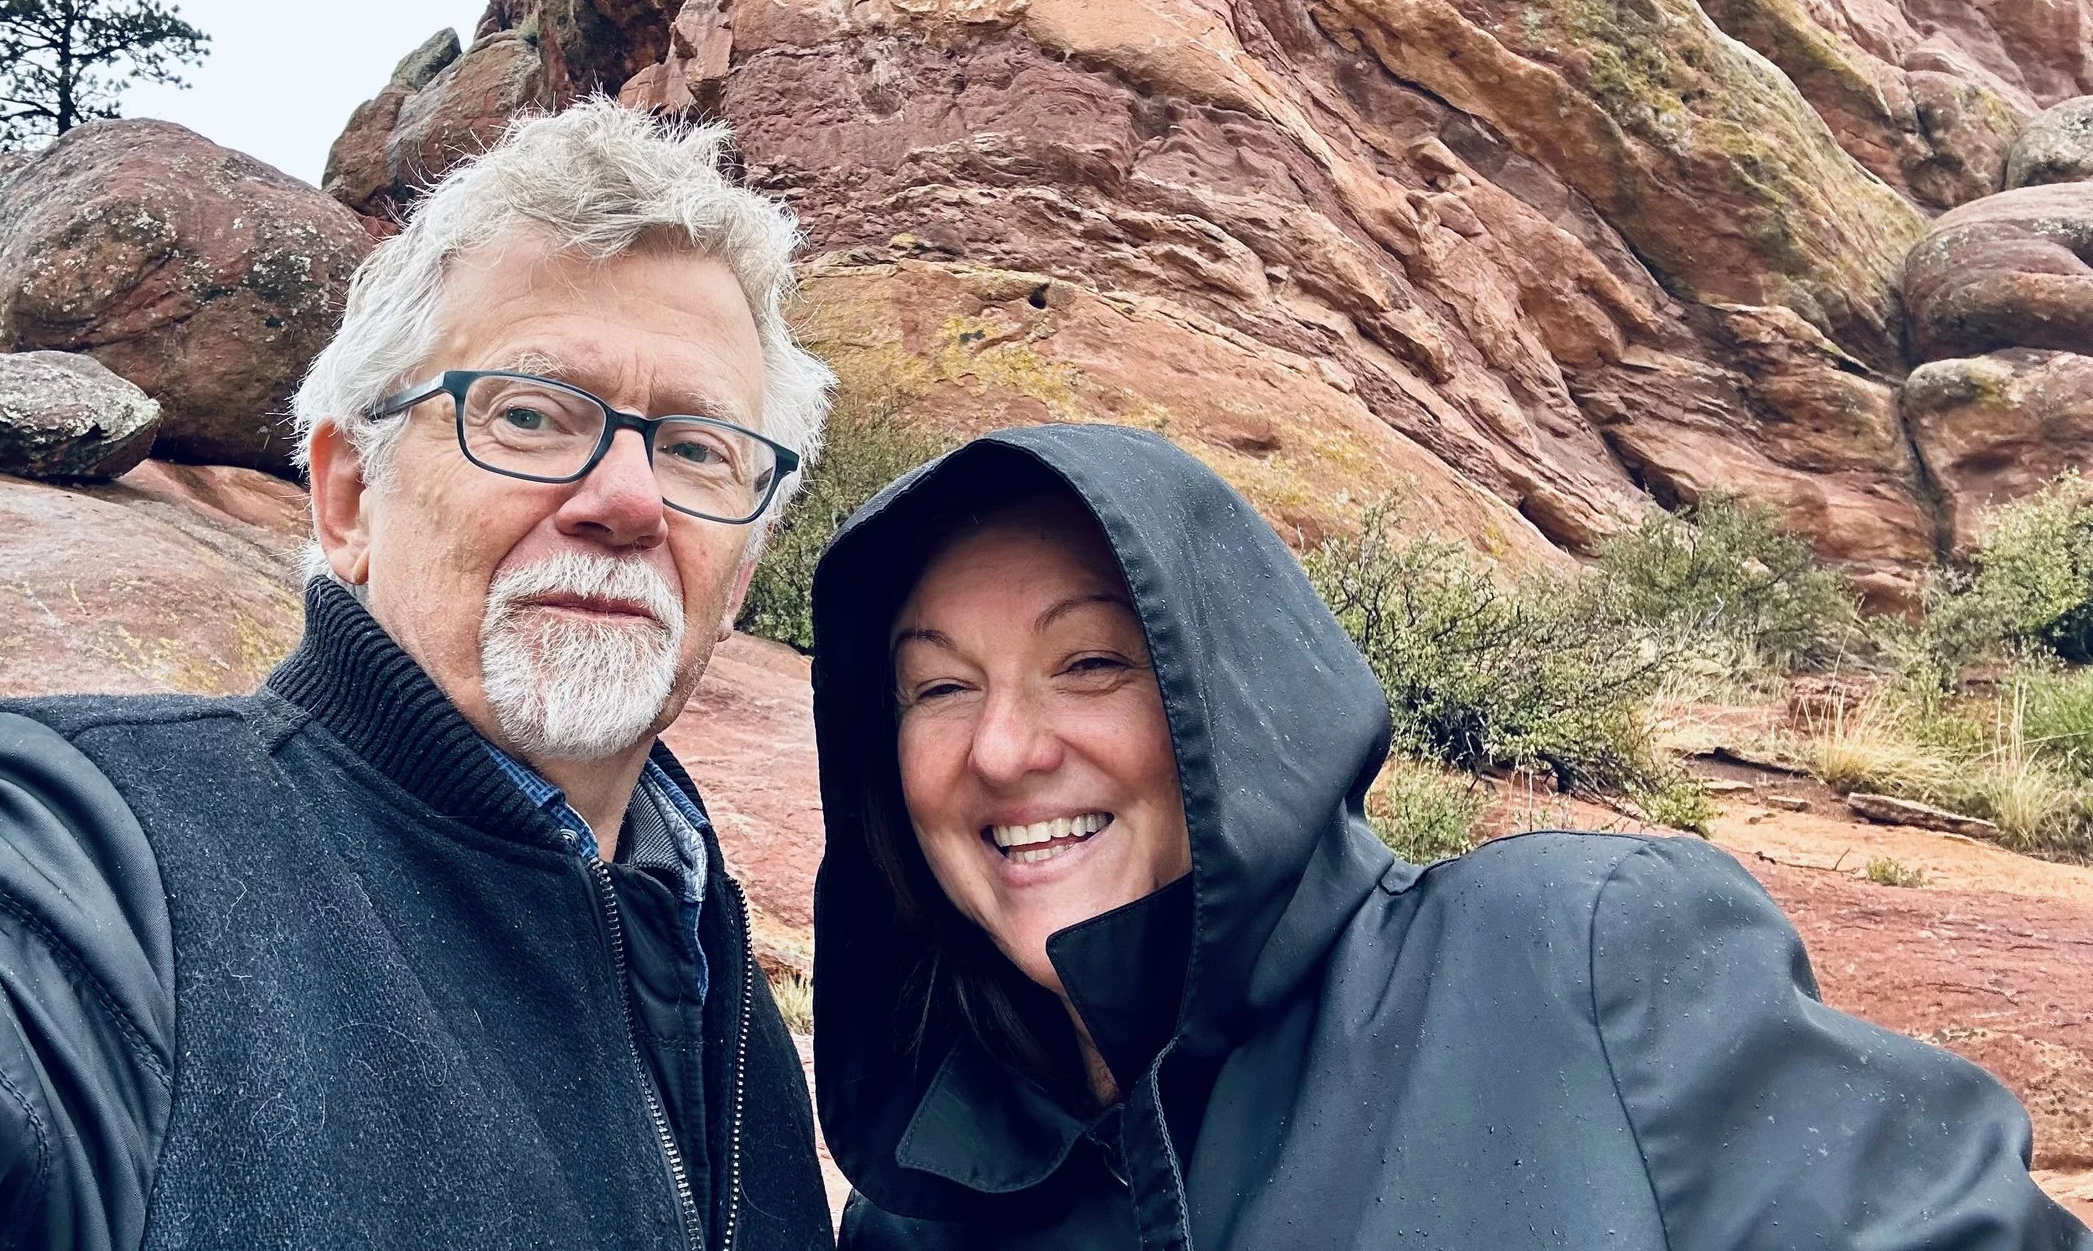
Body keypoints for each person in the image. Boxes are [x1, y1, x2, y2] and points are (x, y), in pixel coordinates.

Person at [0, 101, 838, 1251]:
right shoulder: (75, 851)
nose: (627, 498)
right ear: (347, 496)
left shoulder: (717, 979)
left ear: (744, 563)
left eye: (698, 448)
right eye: (529, 413)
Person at [807, 423, 2090, 1251]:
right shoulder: (920, 1203)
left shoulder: (1571, 958)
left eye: (1090, 661)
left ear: (1231, 696)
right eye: (938, 685)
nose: (1002, 748)